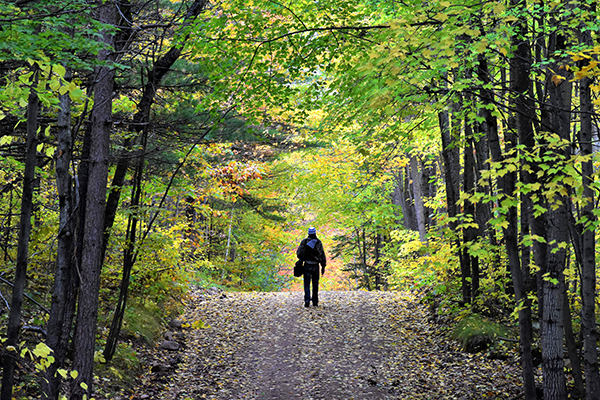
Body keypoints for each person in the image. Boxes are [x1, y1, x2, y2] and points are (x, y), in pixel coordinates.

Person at [296, 227, 326, 307]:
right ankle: (315, 302)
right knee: (315, 283)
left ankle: (307, 301)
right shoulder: (318, 242)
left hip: (307, 265)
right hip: (316, 266)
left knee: (307, 283)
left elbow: (299, 254)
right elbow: (322, 255)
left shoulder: (304, 242)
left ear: (308, 233)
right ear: (315, 233)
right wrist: (323, 265)